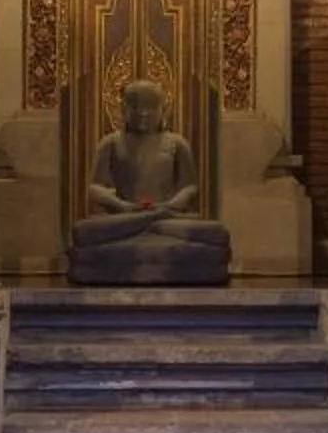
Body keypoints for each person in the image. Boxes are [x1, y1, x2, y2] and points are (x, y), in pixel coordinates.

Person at [69, 79, 230, 284]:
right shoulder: (111, 142)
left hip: (166, 218)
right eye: (136, 107)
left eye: (151, 107)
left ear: (163, 110)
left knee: (215, 234)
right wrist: (122, 206)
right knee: (84, 233)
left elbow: (190, 186)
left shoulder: (177, 143)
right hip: (125, 218)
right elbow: (95, 187)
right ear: (123, 110)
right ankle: (145, 231)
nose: (143, 113)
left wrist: (170, 205)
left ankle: (147, 231)